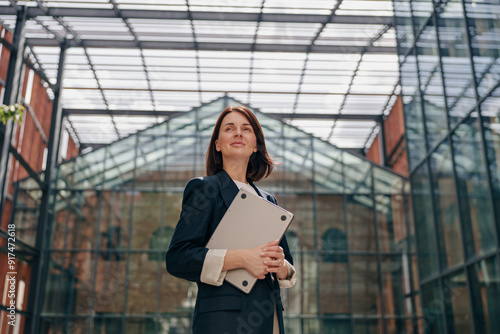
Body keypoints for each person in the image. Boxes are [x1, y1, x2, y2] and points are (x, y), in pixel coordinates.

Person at [166, 106, 296, 334]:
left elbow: (286, 265)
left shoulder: (269, 200)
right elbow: (178, 257)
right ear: (218, 144)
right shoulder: (204, 189)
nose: (238, 133)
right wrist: (241, 258)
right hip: (223, 322)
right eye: (230, 128)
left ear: (255, 145)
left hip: (269, 320)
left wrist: (281, 265)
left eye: (246, 129)